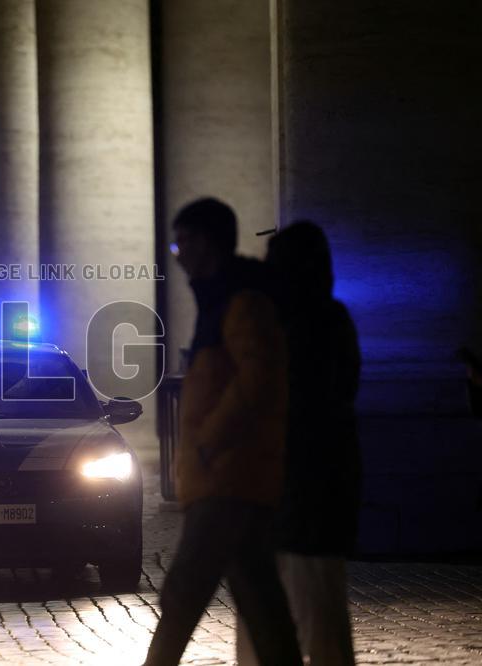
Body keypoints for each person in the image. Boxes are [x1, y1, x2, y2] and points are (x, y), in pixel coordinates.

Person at [145, 198, 302, 666]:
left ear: (206, 242)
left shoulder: (241, 300)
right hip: (231, 477)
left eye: (181, 242)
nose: (177, 255)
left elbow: (258, 378)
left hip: (227, 480)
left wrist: (208, 441)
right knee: (262, 604)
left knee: (181, 596)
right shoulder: (224, 298)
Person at [237, 221, 361, 665]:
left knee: (310, 609)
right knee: (311, 611)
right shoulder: (324, 320)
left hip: (302, 491)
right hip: (307, 490)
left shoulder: (303, 327)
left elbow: (291, 405)